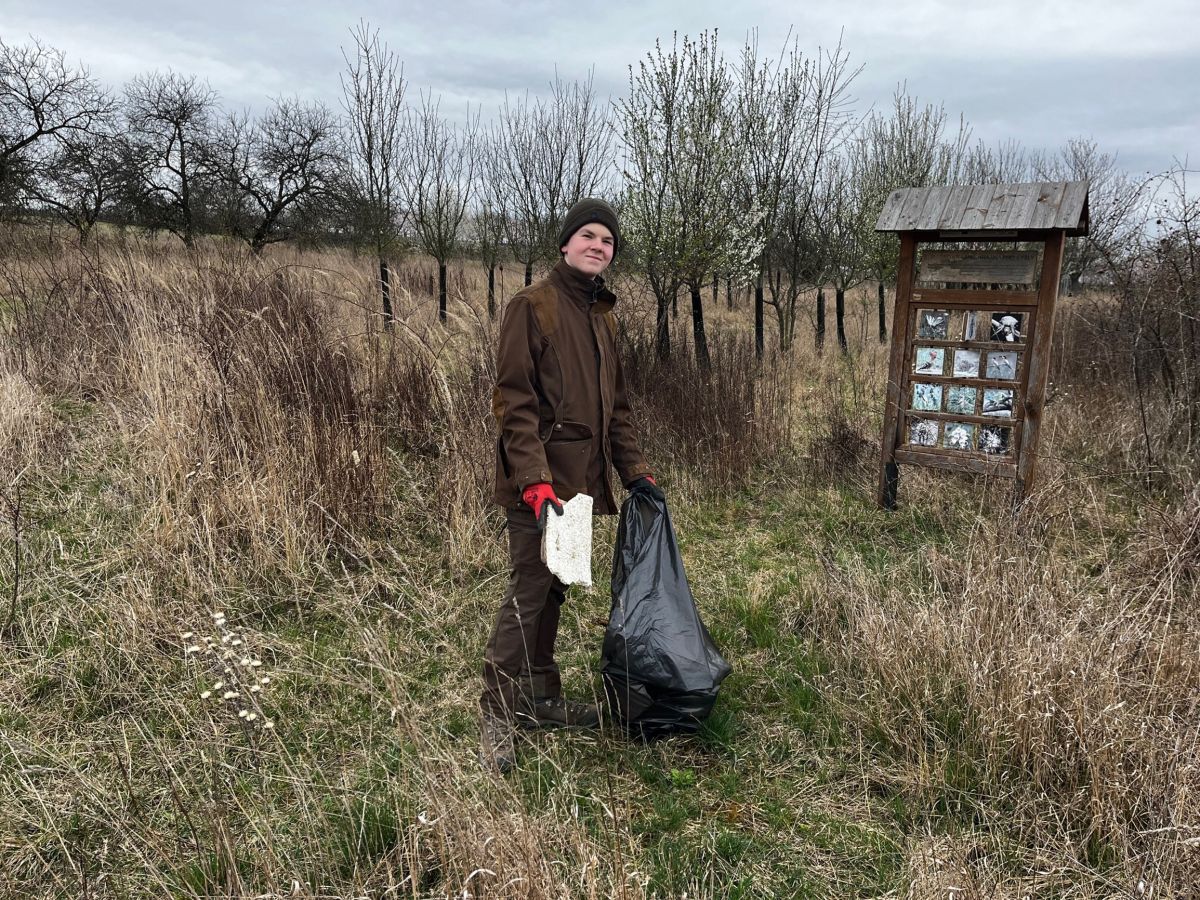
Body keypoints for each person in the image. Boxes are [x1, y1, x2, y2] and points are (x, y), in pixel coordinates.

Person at [480, 197, 659, 772]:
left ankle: (541, 699)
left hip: (580, 485)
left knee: (556, 587)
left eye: (607, 242)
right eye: (588, 236)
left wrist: (635, 473)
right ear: (564, 243)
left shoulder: (604, 317)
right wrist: (533, 481)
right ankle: (498, 718)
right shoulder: (532, 307)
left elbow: (618, 408)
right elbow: (515, 401)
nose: (597, 246)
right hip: (541, 488)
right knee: (529, 594)